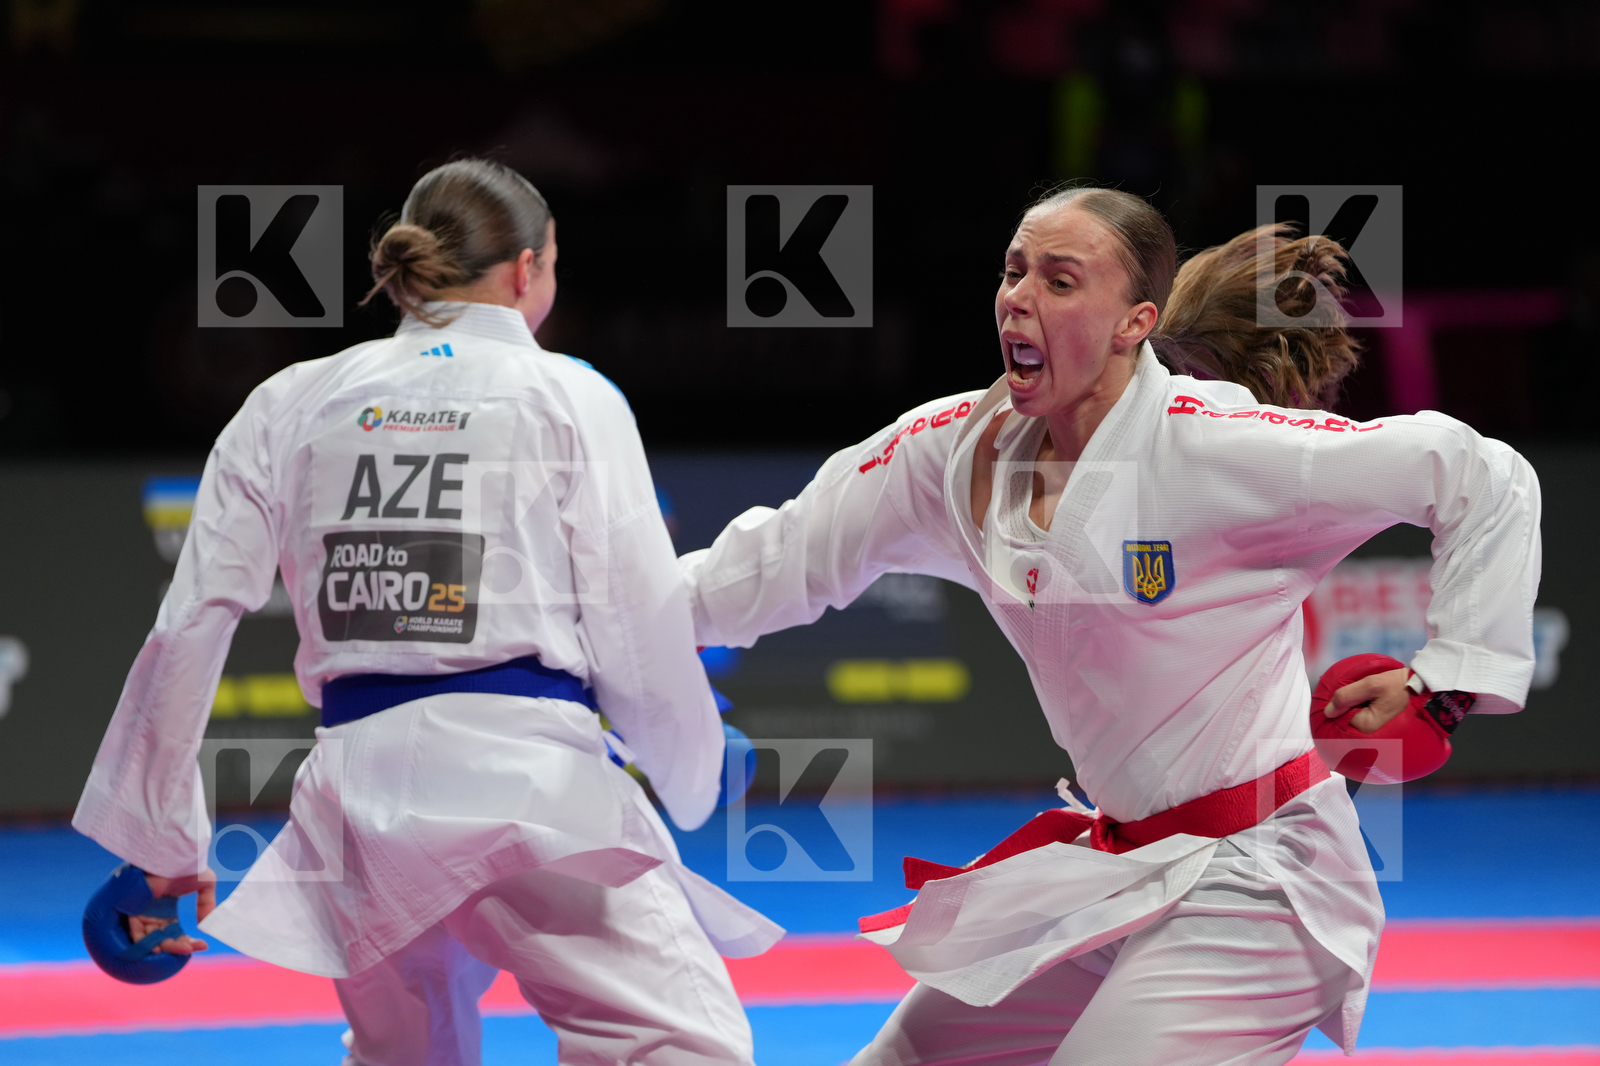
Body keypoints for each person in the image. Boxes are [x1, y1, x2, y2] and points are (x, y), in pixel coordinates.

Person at [681, 187, 1541, 1065]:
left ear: (1135, 322)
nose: (1020, 297)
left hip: (1263, 884)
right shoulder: (948, 450)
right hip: (1119, 870)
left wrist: (1446, 682)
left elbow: (1482, 473)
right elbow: (770, 562)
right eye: (1015, 271)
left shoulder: (1216, 451)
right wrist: (586, 630)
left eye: (1060, 281)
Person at [73, 158, 779, 1066]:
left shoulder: (287, 401)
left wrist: (158, 845)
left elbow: (191, 624)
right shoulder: (569, 393)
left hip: (356, 802)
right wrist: (694, 763)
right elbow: (636, 627)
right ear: (528, 271)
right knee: (678, 1045)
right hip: (527, 788)